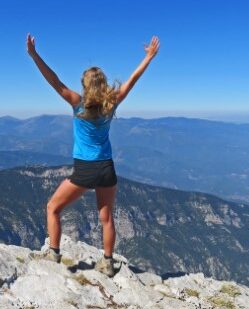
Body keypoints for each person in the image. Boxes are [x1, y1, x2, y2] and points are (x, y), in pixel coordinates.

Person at [25, 33, 160, 277]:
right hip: (107, 167)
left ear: (85, 84)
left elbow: (54, 81)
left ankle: (53, 253)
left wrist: (34, 55)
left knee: (53, 207)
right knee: (106, 218)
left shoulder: (78, 103)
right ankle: (107, 262)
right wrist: (149, 57)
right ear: (104, 84)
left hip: (85, 168)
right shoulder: (112, 103)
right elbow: (133, 79)